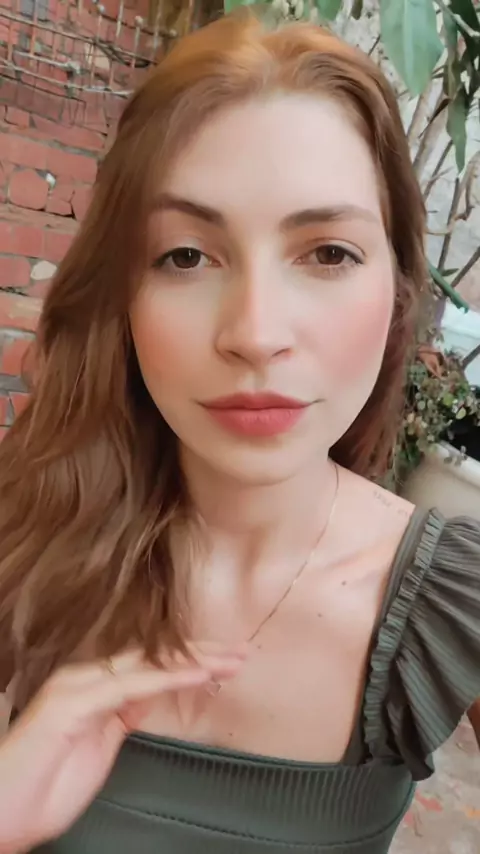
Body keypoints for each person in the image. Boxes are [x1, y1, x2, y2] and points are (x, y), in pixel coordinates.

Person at [0, 8, 478, 853]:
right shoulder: (31, 524)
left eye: (328, 253)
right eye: (186, 256)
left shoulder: (446, 605)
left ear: (398, 289)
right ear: (121, 296)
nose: (255, 334)